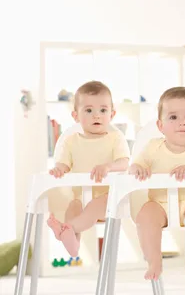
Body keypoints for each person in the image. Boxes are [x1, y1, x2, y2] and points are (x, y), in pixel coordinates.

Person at [129, 87, 185, 280]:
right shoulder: (153, 147)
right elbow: (136, 165)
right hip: (159, 203)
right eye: (173, 117)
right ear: (160, 125)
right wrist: (138, 168)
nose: (182, 122)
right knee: (145, 215)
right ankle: (154, 260)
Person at [47, 81, 130, 257]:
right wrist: (58, 169)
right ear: (76, 115)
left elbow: (124, 163)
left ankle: (65, 228)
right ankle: (73, 244)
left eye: (103, 110)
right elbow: (63, 164)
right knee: (73, 208)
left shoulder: (116, 138)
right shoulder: (70, 141)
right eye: (89, 110)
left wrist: (108, 166)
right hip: (80, 195)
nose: (96, 116)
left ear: (112, 114)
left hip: (110, 196)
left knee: (93, 206)